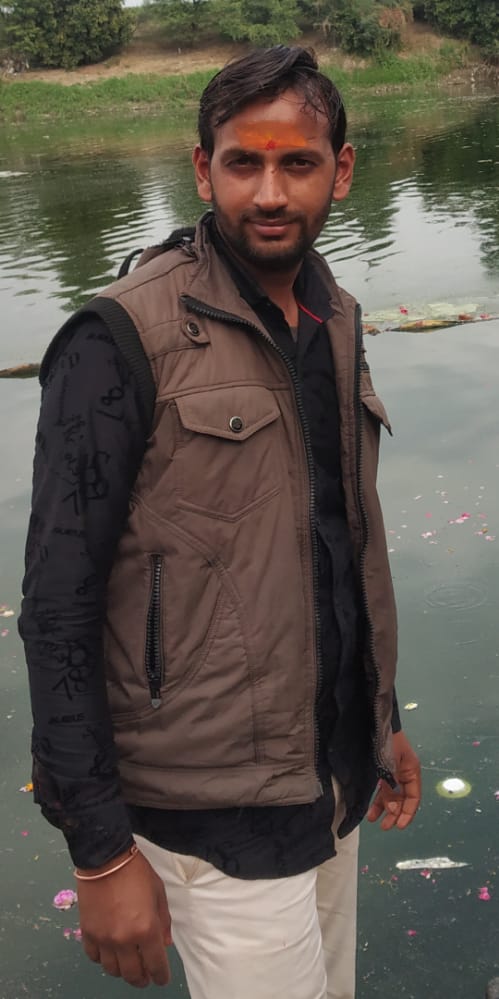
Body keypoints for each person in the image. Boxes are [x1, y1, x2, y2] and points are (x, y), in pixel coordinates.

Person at [20, 45, 421, 999]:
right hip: (210, 817)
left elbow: (336, 545)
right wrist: (99, 851)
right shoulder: (119, 339)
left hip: (329, 778)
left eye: (298, 163)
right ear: (204, 169)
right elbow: (57, 609)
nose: (269, 193)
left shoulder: (334, 316)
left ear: (342, 170)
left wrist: (380, 719)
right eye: (244, 162)